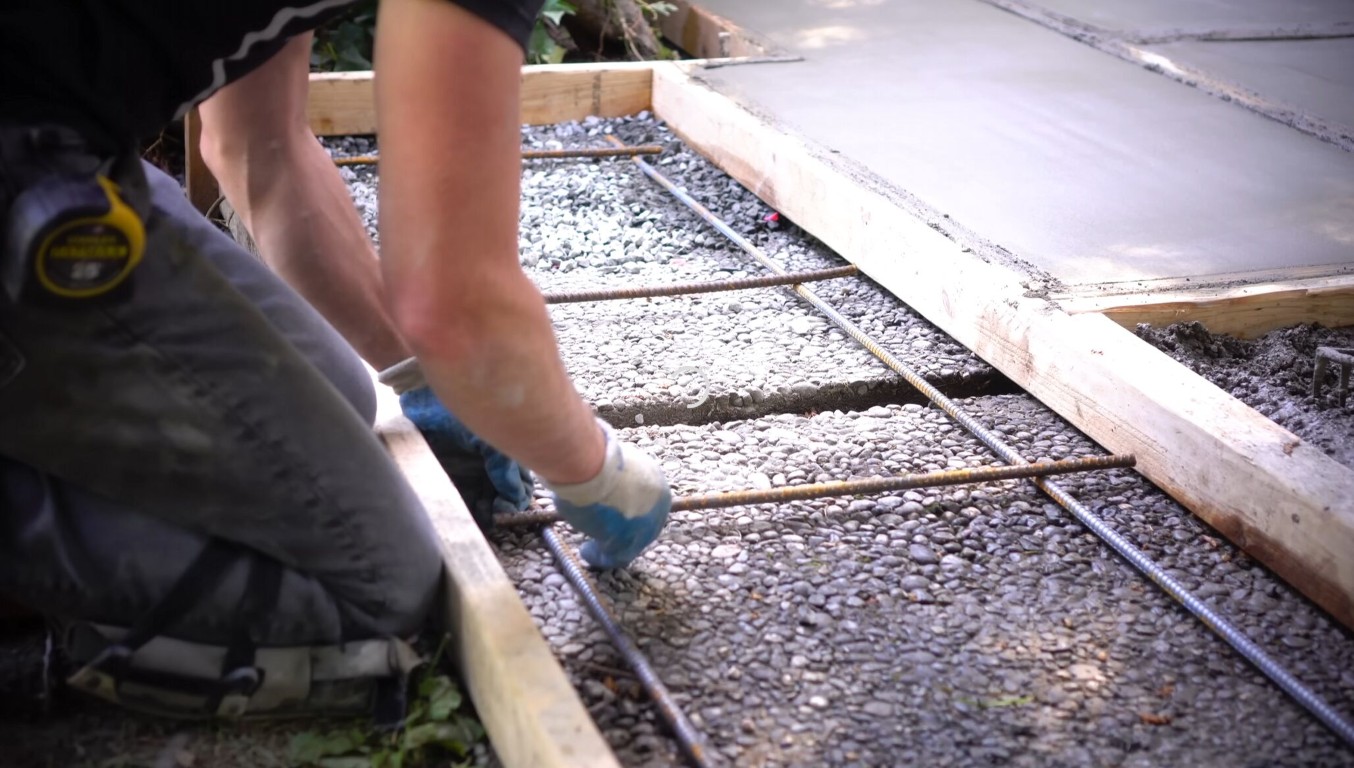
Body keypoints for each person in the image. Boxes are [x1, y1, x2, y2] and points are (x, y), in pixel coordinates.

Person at [0, 0, 671, 720]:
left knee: (350, 397)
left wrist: (419, 378)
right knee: (376, 587)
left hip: (61, 154)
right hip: (29, 169)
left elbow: (261, 147)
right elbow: (461, 305)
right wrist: (593, 470)